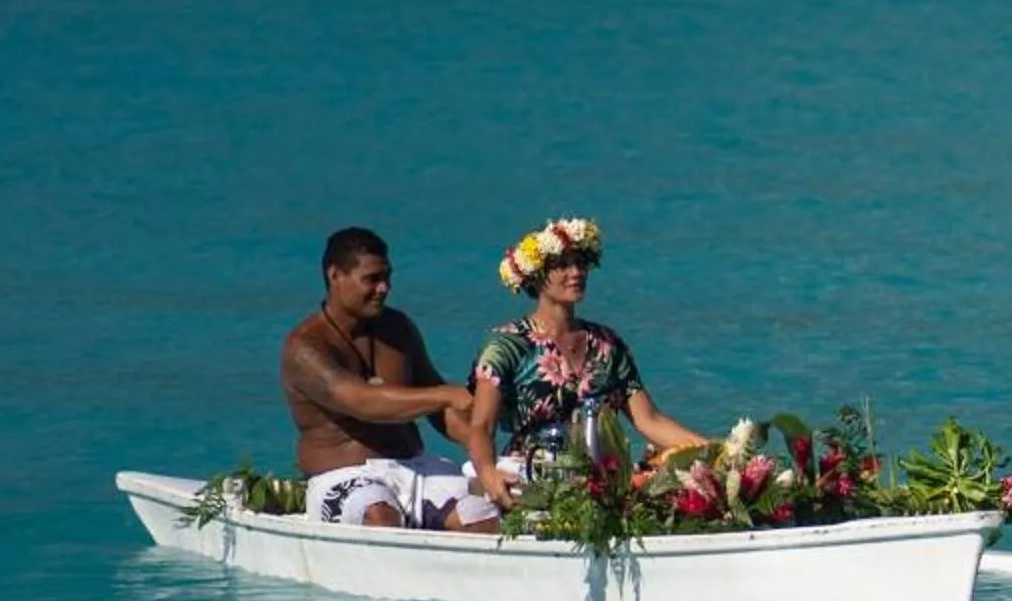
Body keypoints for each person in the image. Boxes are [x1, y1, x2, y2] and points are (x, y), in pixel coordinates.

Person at [464, 217, 709, 513]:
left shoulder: (607, 344)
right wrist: (488, 474)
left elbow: (649, 421)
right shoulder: (506, 345)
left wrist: (713, 451)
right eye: (562, 265)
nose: (576, 272)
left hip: (601, 474)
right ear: (536, 275)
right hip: (530, 473)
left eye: (581, 263)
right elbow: (481, 425)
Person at [282, 227, 499, 532]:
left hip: (415, 468)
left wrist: (484, 455)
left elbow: (442, 414)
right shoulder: (304, 347)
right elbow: (362, 402)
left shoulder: (398, 328)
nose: (384, 288)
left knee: (483, 518)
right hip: (344, 475)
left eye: (387, 277)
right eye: (371, 279)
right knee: (381, 518)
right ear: (335, 276)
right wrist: (446, 394)